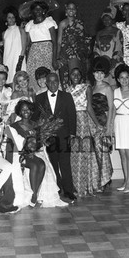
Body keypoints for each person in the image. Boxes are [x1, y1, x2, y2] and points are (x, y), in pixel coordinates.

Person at [7, 100, 68, 207]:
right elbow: (11, 146)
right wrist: (25, 151)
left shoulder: (36, 125)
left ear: (31, 112)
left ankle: (35, 194)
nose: (26, 111)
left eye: (28, 109)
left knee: (42, 164)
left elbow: (40, 142)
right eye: (23, 109)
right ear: (19, 112)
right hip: (20, 154)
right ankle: (33, 195)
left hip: (35, 152)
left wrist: (40, 144)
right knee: (36, 165)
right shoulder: (14, 126)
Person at [34, 72, 77, 202]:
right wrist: (40, 136)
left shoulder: (66, 96)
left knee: (65, 163)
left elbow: (72, 115)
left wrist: (72, 134)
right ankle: (57, 188)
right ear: (46, 83)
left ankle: (68, 190)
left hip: (64, 136)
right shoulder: (39, 98)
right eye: (50, 82)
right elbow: (36, 118)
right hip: (48, 137)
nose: (53, 84)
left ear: (59, 82)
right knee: (52, 164)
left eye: (55, 82)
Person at [66, 64, 101, 197]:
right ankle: (75, 185)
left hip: (82, 121)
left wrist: (97, 124)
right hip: (71, 121)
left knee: (84, 153)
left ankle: (86, 186)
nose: (75, 76)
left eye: (78, 74)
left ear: (81, 76)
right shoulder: (67, 89)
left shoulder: (87, 87)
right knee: (73, 155)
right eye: (72, 74)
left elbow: (89, 107)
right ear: (69, 76)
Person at [108, 64, 129, 193]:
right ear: (117, 78)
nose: (124, 80)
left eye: (126, 77)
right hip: (119, 123)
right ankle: (126, 180)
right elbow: (113, 111)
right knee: (122, 154)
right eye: (121, 77)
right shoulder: (114, 92)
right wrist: (111, 127)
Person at [90, 58, 113, 192]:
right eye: (96, 72)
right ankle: (100, 178)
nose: (99, 75)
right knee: (96, 153)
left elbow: (111, 108)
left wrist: (109, 128)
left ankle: (105, 179)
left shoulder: (107, 87)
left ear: (105, 74)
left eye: (101, 73)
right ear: (93, 74)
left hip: (103, 122)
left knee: (102, 151)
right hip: (92, 123)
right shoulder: (91, 87)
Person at [25, 0, 58, 93]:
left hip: (47, 51)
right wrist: (26, 58)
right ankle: (37, 96)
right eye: (35, 10)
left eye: (40, 9)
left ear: (44, 10)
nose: (37, 11)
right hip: (34, 52)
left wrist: (54, 59)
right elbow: (28, 43)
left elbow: (55, 42)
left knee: (48, 74)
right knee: (32, 74)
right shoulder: (29, 24)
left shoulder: (49, 22)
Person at [57, 2, 90, 88]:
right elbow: (59, 42)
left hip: (76, 54)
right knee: (64, 79)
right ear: (66, 11)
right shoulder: (62, 23)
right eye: (69, 8)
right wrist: (57, 57)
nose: (71, 10)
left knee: (75, 78)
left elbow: (85, 40)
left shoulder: (81, 24)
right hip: (64, 54)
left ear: (76, 11)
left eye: (73, 8)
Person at [93, 6, 122, 86]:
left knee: (113, 85)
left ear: (112, 19)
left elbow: (118, 47)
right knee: (102, 85)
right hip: (102, 64)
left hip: (113, 63)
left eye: (108, 18)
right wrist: (98, 62)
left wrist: (113, 62)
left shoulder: (117, 32)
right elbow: (96, 48)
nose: (106, 21)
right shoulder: (99, 33)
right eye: (104, 19)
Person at [2, 7, 27, 84]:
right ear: (6, 18)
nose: (11, 19)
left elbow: (24, 47)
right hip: (7, 60)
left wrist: (19, 62)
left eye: (13, 17)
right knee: (9, 81)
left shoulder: (20, 30)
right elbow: (5, 49)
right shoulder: (4, 33)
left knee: (20, 81)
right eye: (9, 17)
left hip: (19, 59)